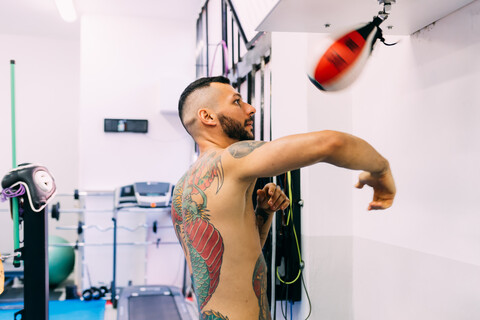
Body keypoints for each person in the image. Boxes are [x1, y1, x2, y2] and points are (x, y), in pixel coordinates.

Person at [171, 76, 396, 320]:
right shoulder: (230, 158)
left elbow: (241, 255)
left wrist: (264, 212)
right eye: (237, 102)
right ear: (208, 117)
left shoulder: (182, 187)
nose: (250, 108)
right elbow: (331, 143)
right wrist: (381, 170)